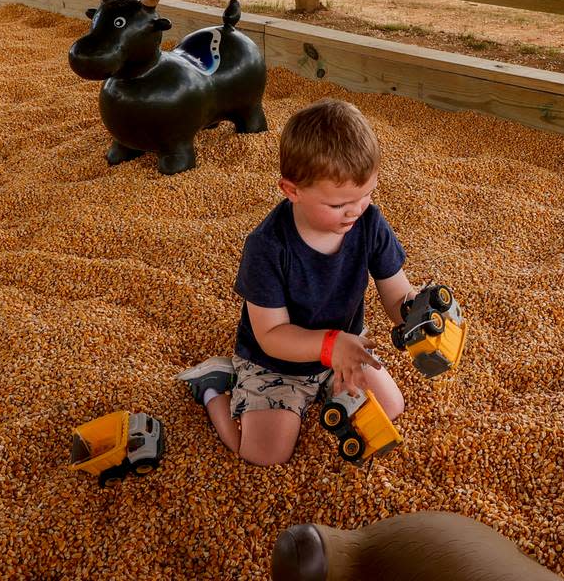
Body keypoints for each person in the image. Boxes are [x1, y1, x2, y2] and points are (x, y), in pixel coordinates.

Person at [176, 98, 418, 467]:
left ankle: (324, 391)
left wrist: (417, 316)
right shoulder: (267, 247)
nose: (355, 210)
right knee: (263, 454)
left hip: (344, 348)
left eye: (366, 194)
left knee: (392, 407)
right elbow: (271, 334)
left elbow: (396, 290)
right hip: (276, 362)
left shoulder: (368, 222)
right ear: (292, 191)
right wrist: (330, 344)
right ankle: (212, 385)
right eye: (339, 205)